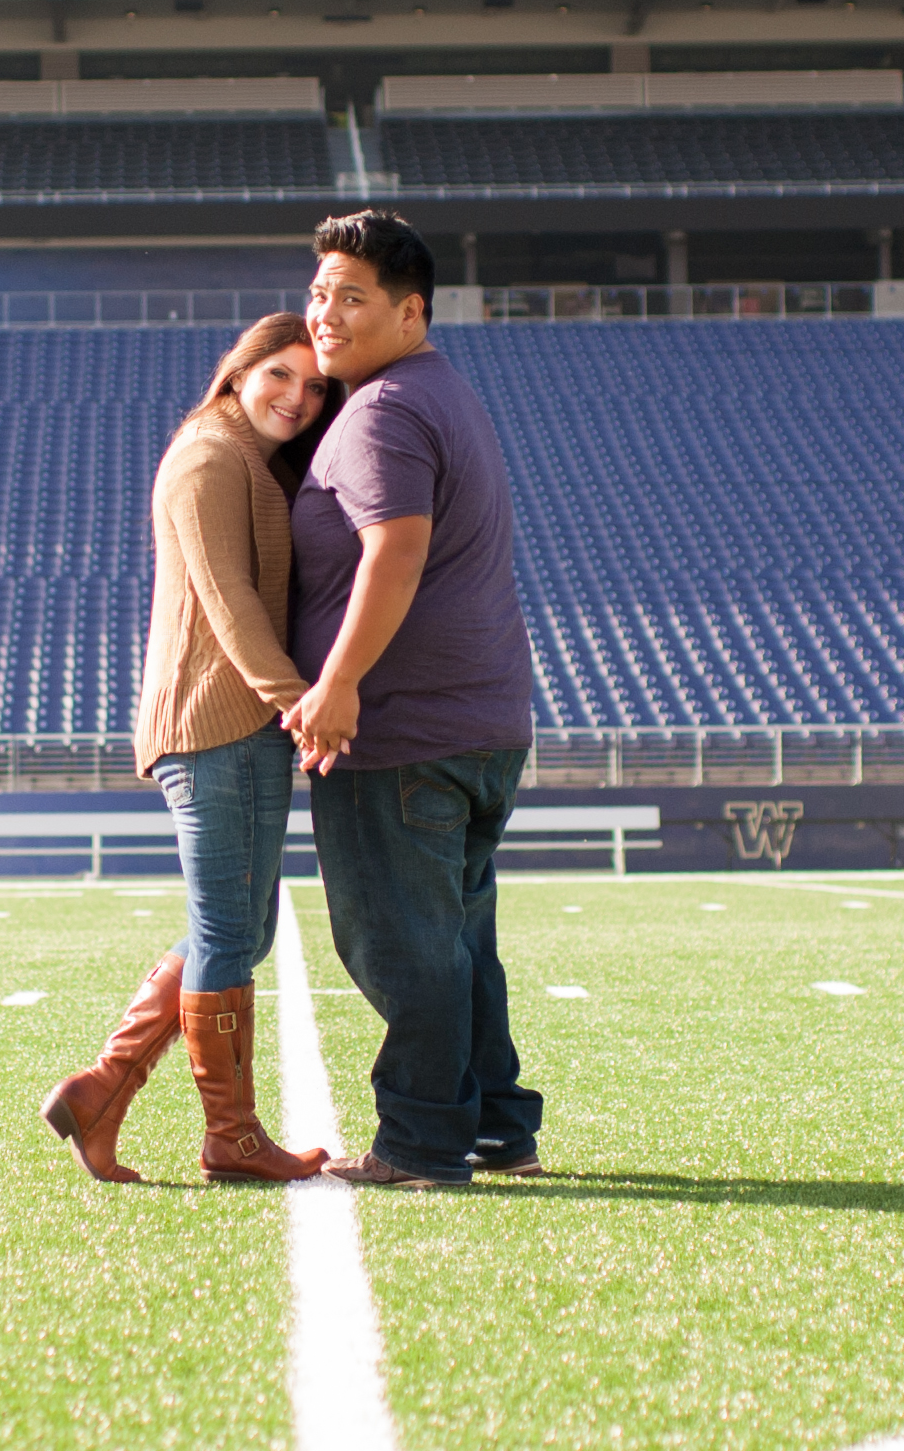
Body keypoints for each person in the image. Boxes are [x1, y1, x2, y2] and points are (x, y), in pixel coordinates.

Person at [40, 313, 337, 1186]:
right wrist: (300, 707)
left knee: (232, 926)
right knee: (226, 929)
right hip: (219, 720)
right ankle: (231, 1137)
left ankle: (103, 1090)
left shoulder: (241, 455)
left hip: (227, 721)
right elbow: (228, 601)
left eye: (314, 386)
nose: (299, 395)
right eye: (281, 375)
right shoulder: (210, 455)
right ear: (239, 371)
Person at [285, 209, 540, 1188]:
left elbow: (394, 548)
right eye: (317, 293)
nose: (325, 314)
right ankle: (495, 1124)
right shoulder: (439, 394)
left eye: (351, 297)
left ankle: (425, 1139)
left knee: (398, 942)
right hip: (478, 720)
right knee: (458, 937)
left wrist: (339, 680)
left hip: (403, 729)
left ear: (409, 310)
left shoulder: (384, 410)